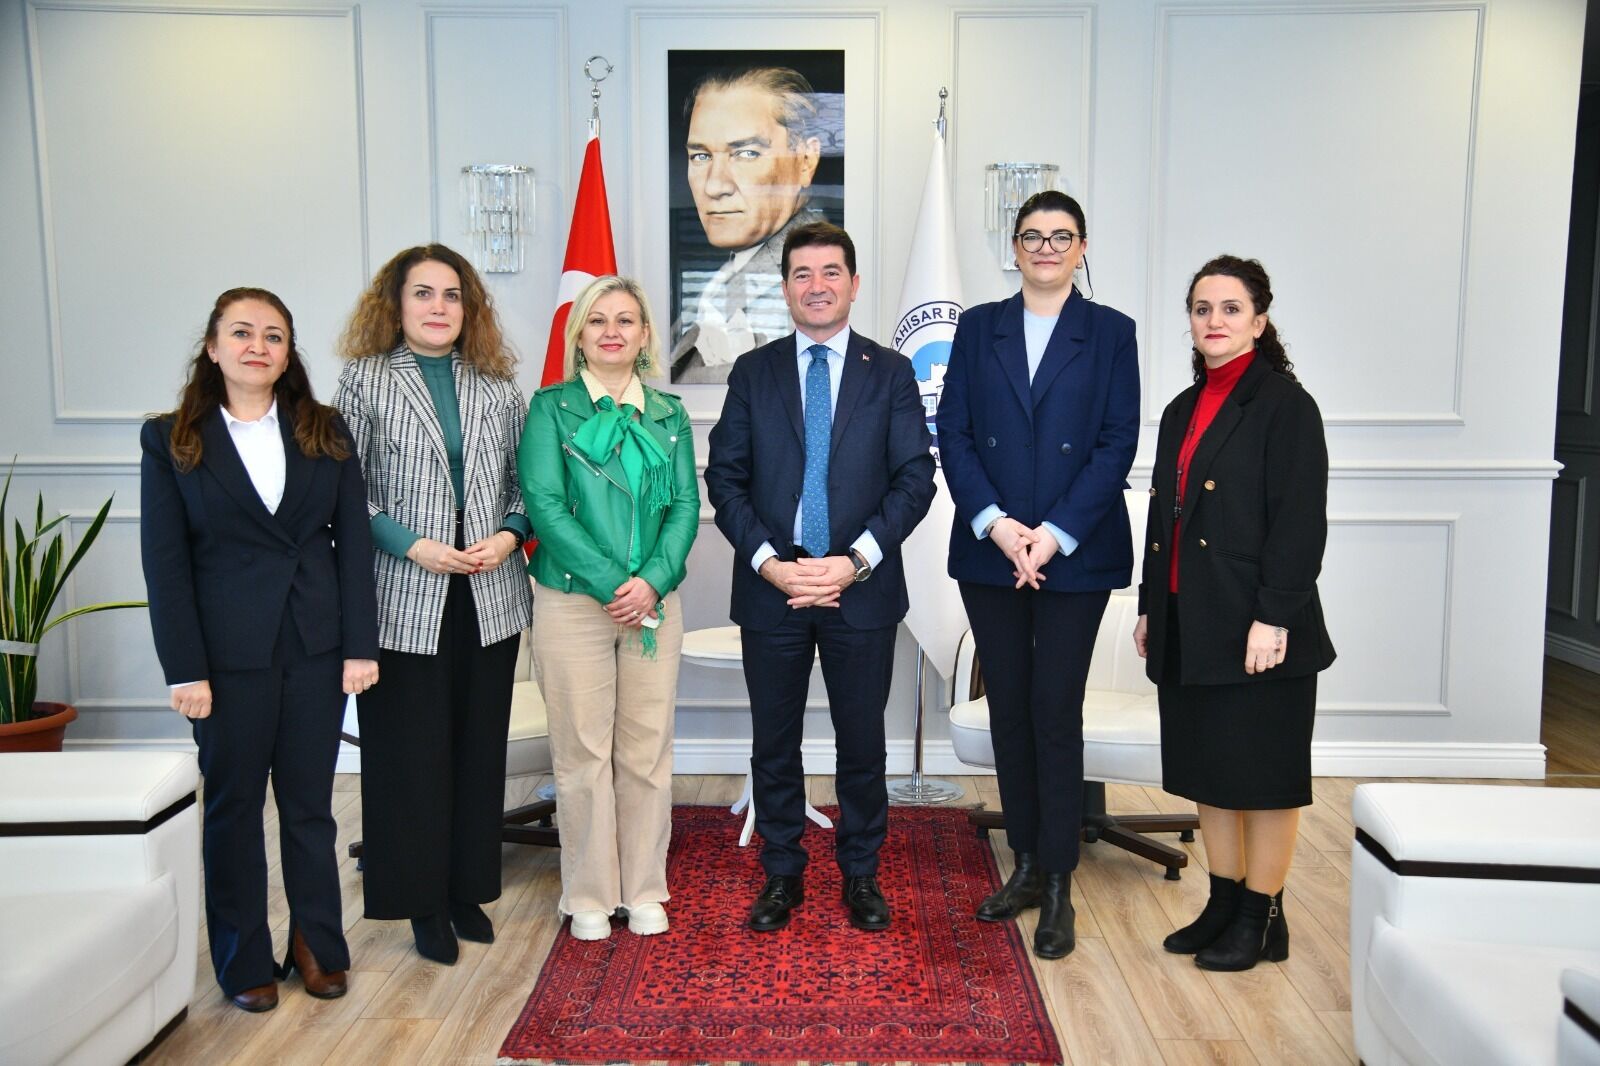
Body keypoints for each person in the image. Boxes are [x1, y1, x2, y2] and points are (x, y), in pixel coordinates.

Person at [141, 287, 378, 1012]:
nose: (258, 346)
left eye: (273, 336)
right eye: (242, 333)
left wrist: (359, 647)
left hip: (315, 646)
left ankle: (317, 946)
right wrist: (185, 668)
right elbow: (165, 563)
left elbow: (353, 546)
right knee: (234, 808)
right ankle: (243, 958)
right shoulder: (172, 438)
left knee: (309, 806)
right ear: (213, 348)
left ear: (287, 353)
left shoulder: (325, 430)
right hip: (224, 657)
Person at [705, 221, 936, 934]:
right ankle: (782, 872)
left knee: (861, 743)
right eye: (802, 274)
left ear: (854, 284)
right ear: (784, 289)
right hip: (772, 589)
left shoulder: (890, 372)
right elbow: (725, 479)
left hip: (859, 590)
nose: (817, 286)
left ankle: (861, 872)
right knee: (773, 743)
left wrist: (854, 560)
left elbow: (914, 479)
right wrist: (771, 565)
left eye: (830, 272)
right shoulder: (753, 372)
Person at [936, 190, 1139, 959]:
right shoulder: (978, 327)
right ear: (1014, 247)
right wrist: (998, 526)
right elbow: (953, 432)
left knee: (1054, 710)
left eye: (1061, 236)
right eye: (1032, 235)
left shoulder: (1111, 332)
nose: (1046, 247)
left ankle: (1058, 880)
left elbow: (1116, 443)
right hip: (991, 551)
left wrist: (1050, 537)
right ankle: (1023, 862)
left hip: (1074, 554)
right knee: (1010, 711)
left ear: (1082, 248)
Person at [1133, 254, 1335, 971]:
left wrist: (1274, 617)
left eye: (1229, 308)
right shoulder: (1182, 409)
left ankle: (1260, 914)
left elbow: (1299, 524)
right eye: (1201, 308)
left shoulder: (1286, 406)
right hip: (1188, 617)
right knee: (1209, 771)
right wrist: (1151, 606)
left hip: (1257, 624)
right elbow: (1164, 519)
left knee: (1264, 776)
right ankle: (1223, 904)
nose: (1213, 320)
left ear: (1259, 320)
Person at [333, 244, 533, 965]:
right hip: (402, 593)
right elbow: (346, 491)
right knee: (409, 755)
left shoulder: (498, 385)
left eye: (452, 295)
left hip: (489, 591)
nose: (438, 307)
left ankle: (465, 889)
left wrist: (510, 534)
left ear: (468, 308)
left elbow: (524, 484)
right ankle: (419, 900)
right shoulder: (364, 380)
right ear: (397, 304)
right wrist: (412, 545)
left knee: (477, 750)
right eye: (423, 293)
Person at [517, 275, 700, 941]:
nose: (612, 331)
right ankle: (590, 893)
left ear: (645, 334)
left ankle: (645, 888)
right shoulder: (551, 407)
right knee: (583, 753)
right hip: (573, 600)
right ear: (580, 336)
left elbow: (685, 505)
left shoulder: (669, 413)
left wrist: (651, 581)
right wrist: (612, 584)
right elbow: (544, 505)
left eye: (626, 319)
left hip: (653, 604)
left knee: (646, 753)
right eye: (598, 320)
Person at [671, 66, 826, 383]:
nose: (715, 186)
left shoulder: (811, 284)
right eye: (701, 156)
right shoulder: (726, 278)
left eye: (746, 153)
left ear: (805, 160)